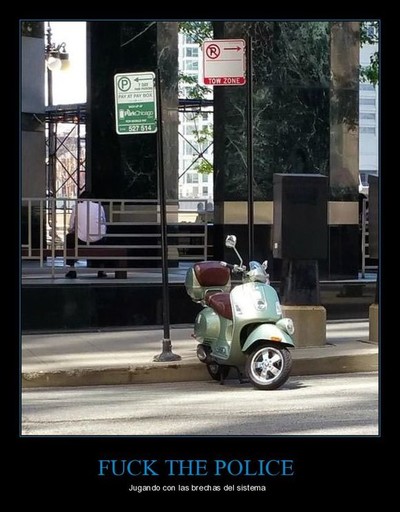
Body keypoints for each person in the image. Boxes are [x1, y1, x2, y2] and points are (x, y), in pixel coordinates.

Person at [65, 191, 107, 278]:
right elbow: (103, 223)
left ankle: (72, 269)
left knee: (69, 238)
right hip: (98, 240)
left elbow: (71, 226)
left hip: (81, 240)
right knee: (103, 241)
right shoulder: (100, 207)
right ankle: (101, 270)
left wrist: (73, 230)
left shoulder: (76, 207)